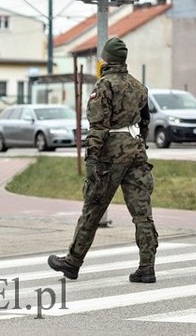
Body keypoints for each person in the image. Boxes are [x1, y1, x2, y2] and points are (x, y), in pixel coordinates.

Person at [48, 37, 158, 283]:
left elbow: (98, 127)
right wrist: (139, 144)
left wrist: (91, 160)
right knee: (142, 213)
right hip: (136, 152)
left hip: (111, 154)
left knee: (93, 208)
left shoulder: (104, 85)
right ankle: (147, 267)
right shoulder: (139, 87)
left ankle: (73, 262)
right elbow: (145, 121)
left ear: (107, 59)